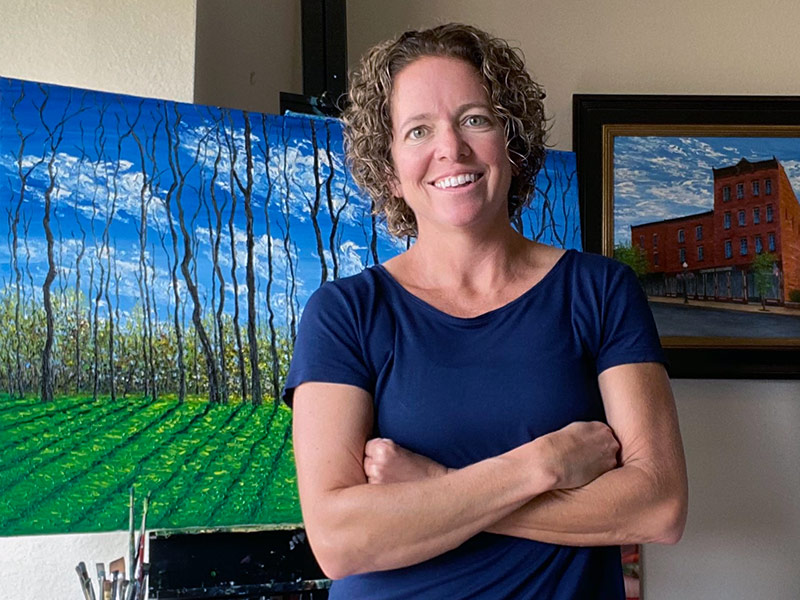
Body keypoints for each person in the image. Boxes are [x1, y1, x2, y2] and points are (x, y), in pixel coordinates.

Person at [283, 23, 687, 600]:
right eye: (418, 130)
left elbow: (659, 507)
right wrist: (542, 464)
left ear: (511, 143)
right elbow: (340, 542)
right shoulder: (344, 313)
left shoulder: (600, 291)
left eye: (475, 119)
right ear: (390, 170)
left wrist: (434, 483)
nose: (451, 148)